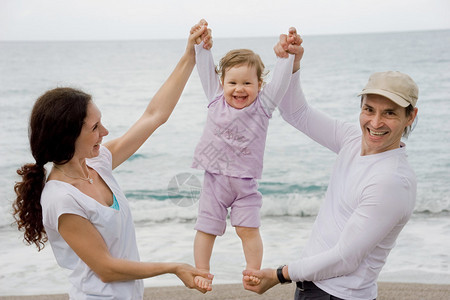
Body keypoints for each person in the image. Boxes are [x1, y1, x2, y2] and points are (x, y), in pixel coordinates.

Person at [12, 21, 214, 299]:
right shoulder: (61, 199)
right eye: (94, 127)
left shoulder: (96, 164)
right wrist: (173, 267)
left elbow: (154, 115)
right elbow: (107, 269)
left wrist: (189, 56)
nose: (104, 133)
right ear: (67, 135)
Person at [242, 28, 419, 300]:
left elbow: (344, 258)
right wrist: (291, 63)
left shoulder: (391, 181)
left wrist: (280, 274)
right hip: (314, 288)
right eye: (369, 109)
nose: (375, 123)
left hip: (341, 296)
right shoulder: (351, 139)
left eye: (390, 113)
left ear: (410, 116)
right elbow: (296, 113)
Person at [190, 20, 295, 289]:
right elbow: (204, 67)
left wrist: (285, 56)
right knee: (206, 229)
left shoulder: (264, 105)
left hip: (245, 185)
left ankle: (253, 272)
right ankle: (201, 271)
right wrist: (202, 45)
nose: (239, 88)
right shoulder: (215, 97)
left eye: (247, 82)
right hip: (214, 182)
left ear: (259, 84)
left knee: (248, 230)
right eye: (232, 82)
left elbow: (282, 81)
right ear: (221, 83)